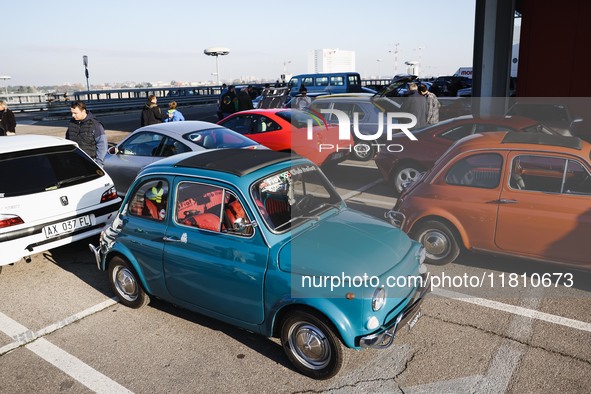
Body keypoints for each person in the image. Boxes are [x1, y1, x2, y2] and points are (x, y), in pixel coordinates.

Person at [66, 100, 108, 166]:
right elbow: (68, 141)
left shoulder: (95, 125)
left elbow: (102, 146)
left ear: (83, 111)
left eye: (75, 113)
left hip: (89, 162)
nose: (73, 115)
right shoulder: (72, 124)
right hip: (73, 162)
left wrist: (98, 164)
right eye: (72, 113)